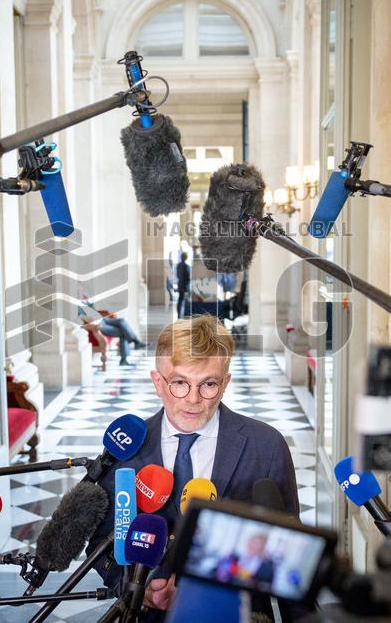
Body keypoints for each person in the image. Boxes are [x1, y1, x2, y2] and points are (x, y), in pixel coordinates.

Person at [86, 315, 299, 618]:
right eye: (179, 383)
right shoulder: (125, 448)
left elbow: (286, 554)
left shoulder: (267, 446)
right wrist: (137, 588)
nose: (194, 399)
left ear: (225, 384)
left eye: (208, 384)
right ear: (158, 382)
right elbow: (101, 545)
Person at [175, 251, 191, 318]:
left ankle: (179, 314)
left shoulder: (178, 265)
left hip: (180, 284)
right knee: (185, 299)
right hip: (185, 285)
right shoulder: (186, 266)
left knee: (180, 299)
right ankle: (185, 313)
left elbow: (178, 275)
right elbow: (188, 276)